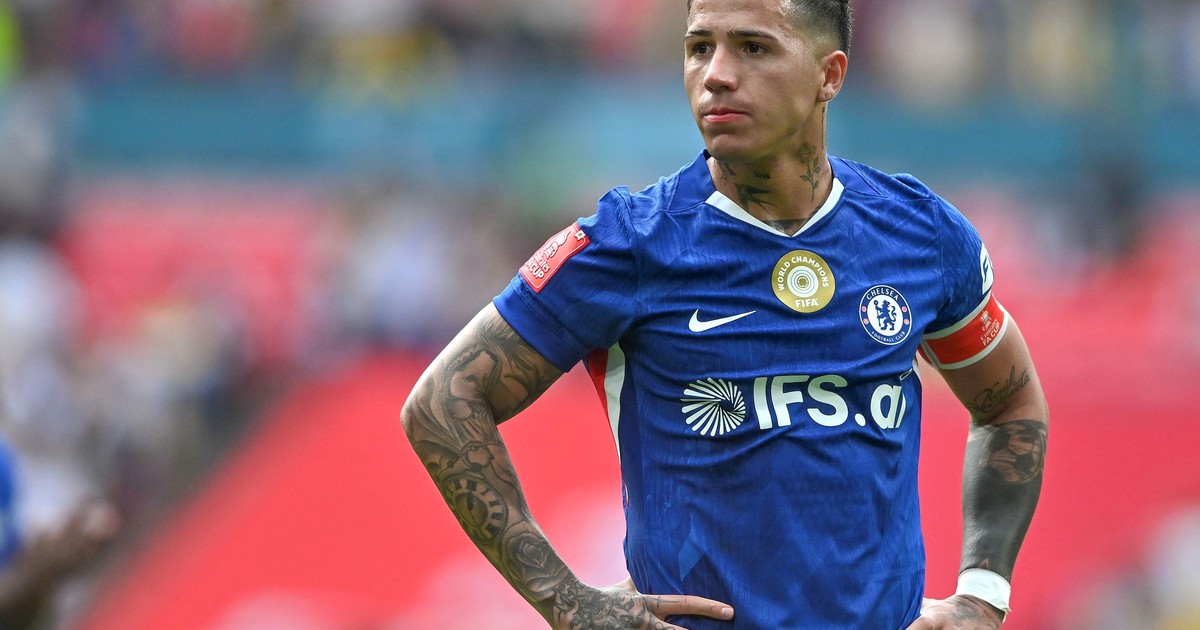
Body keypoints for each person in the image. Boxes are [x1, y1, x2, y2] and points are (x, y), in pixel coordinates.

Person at [400, 0, 1049, 627]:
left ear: (829, 75)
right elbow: (442, 402)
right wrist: (566, 602)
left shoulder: (919, 234)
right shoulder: (630, 244)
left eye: (754, 48)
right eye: (699, 47)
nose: (716, 74)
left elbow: (1009, 405)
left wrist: (982, 593)